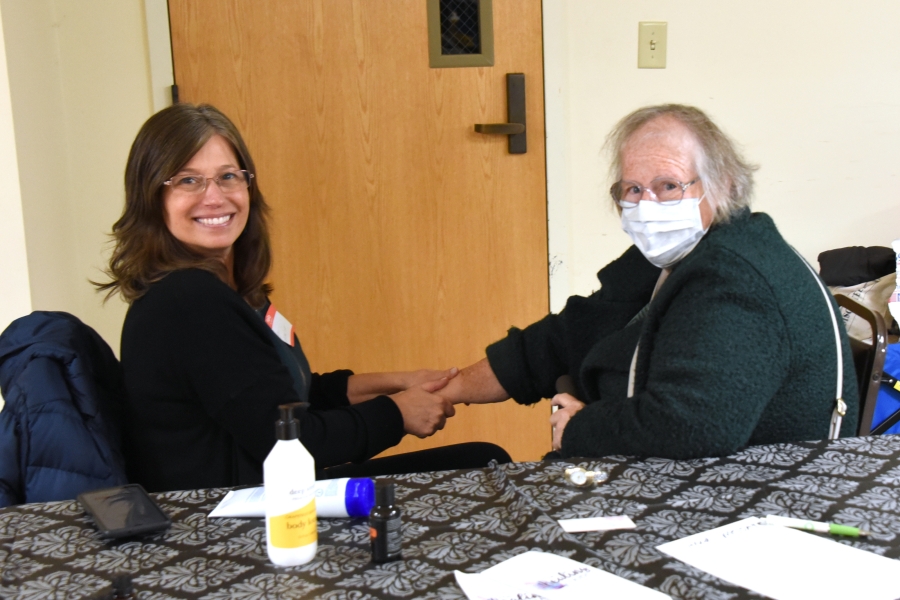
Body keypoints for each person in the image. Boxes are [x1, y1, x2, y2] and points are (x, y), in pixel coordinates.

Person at [97, 103, 509, 492]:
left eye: (228, 176)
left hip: (266, 494)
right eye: (188, 180)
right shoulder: (191, 301)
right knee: (484, 465)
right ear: (152, 198)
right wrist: (398, 413)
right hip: (231, 522)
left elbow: (285, 401)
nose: (215, 196)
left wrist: (400, 383)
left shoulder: (215, 291)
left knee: (481, 460)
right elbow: (297, 444)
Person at [440, 104, 859, 460]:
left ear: (724, 185)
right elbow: (571, 331)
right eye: (633, 189)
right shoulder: (676, 251)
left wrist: (580, 428)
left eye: (668, 186)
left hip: (759, 503)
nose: (646, 206)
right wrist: (449, 387)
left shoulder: (734, 278)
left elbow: (693, 426)